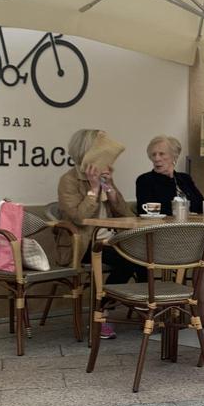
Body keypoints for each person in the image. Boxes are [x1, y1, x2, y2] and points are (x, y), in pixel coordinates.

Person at [57, 129, 143, 339]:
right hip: (85, 244)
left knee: (143, 256)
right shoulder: (69, 180)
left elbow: (124, 214)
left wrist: (110, 188)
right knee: (129, 260)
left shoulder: (104, 177)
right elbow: (79, 217)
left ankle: (145, 309)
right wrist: (94, 189)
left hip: (111, 240)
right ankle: (102, 312)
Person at [136, 135, 204, 215]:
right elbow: (145, 210)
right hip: (163, 226)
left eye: (161, 154)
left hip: (193, 225)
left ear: (174, 156)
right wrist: (181, 214)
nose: (157, 159)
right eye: (154, 154)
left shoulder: (185, 178)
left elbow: (202, 204)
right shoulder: (145, 180)